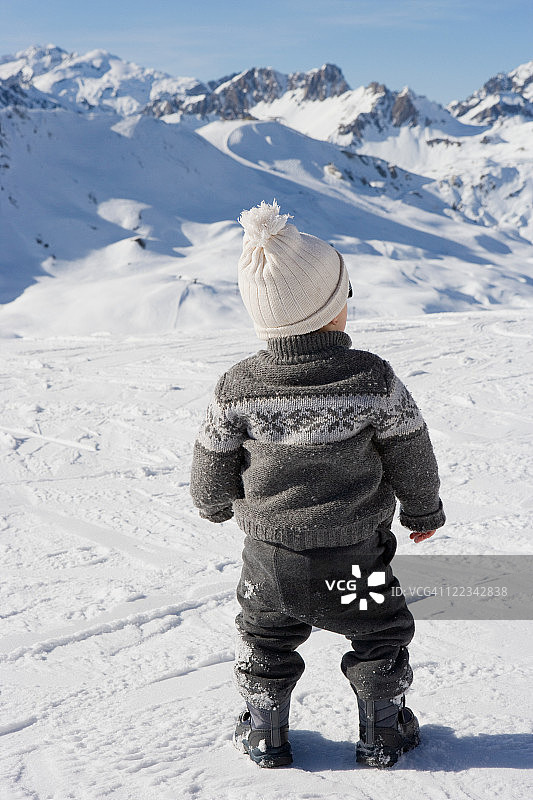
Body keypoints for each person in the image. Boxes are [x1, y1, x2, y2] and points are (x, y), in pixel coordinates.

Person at [189, 200, 445, 769]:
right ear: (332, 312)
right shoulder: (371, 377)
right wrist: (423, 510)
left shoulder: (238, 386)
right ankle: (383, 728)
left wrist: (211, 503)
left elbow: (212, 455)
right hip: (354, 554)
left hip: (271, 559)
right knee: (379, 631)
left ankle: (265, 730)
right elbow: (410, 447)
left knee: (265, 639)